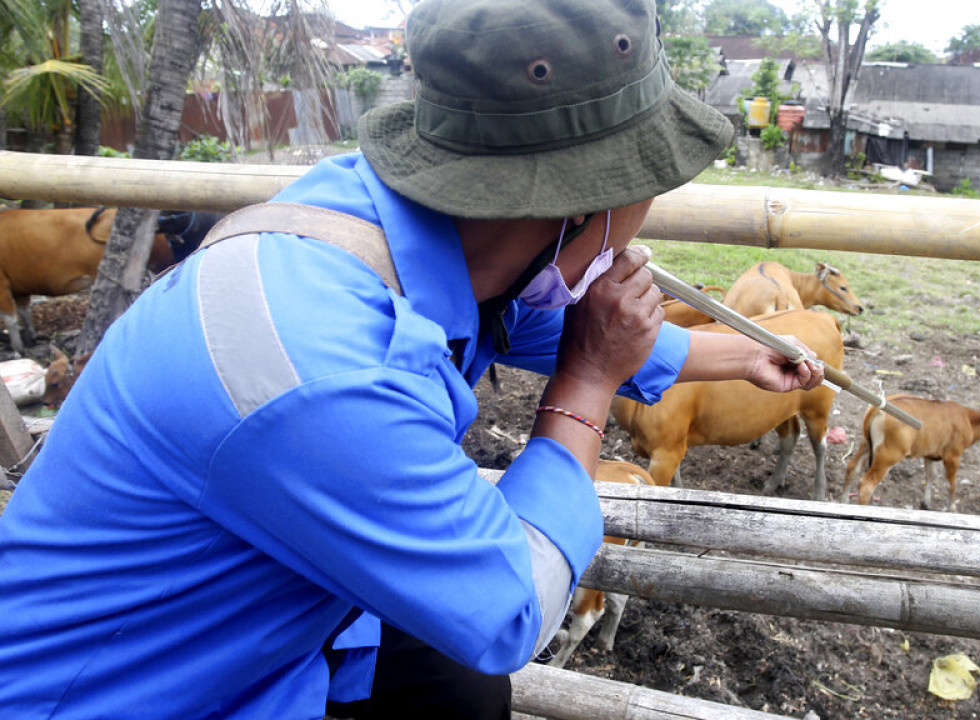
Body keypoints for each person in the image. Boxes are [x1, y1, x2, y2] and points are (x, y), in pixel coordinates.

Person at [0, 0, 823, 718]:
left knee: (453, 684)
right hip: (131, 689)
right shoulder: (326, 371)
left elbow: (537, 324)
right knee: (469, 656)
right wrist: (586, 388)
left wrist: (741, 356)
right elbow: (508, 610)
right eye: (653, 175)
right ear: (586, 206)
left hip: (258, 613)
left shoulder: (392, 223)